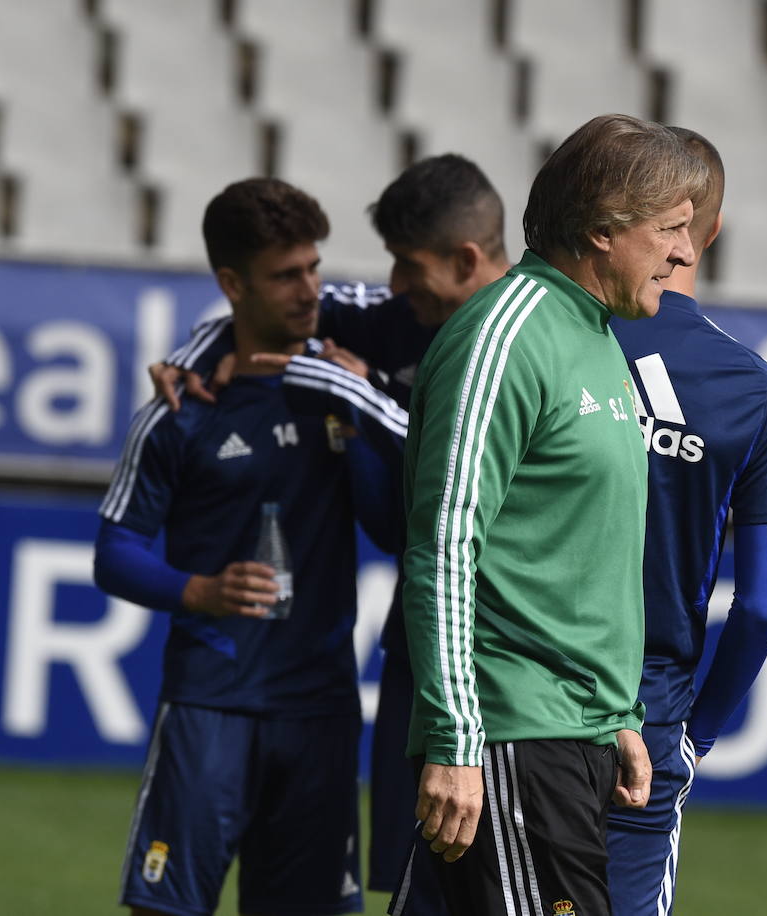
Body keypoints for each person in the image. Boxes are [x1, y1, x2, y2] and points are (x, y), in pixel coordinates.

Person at [151, 154, 511, 910]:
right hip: (425, 660)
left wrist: (359, 395)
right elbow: (256, 305)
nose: (395, 283)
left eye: (408, 266)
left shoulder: (531, 342)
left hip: (515, 665)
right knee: (421, 890)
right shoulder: (398, 318)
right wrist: (191, 358)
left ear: (466, 258)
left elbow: (463, 460)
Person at [393, 113, 706, 916]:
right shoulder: (507, 334)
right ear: (603, 228)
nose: (687, 252)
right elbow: (444, 544)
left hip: (571, 734)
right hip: (509, 737)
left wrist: (616, 719)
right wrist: (459, 740)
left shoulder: (597, 333)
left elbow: (580, 558)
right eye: (670, 228)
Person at [97, 178, 408, 916]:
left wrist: (353, 413)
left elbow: (390, 531)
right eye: (285, 275)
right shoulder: (180, 410)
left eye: (312, 268)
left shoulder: (339, 386)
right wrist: (199, 591)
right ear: (231, 284)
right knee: (166, 907)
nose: (310, 291)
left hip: (321, 709)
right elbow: (115, 553)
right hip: (211, 703)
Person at [604, 128, 767, 915]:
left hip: (521, 703)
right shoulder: (757, 390)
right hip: (650, 722)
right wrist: (698, 735)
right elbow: (758, 608)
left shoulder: (558, 340)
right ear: (707, 232)